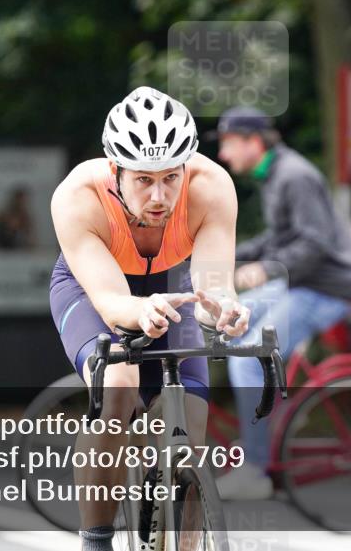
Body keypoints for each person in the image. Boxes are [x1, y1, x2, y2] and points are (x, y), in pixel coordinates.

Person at [49, 87, 251, 551]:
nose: (159, 196)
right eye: (143, 180)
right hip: (93, 287)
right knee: (118, 385)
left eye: (170, 178)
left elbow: (213, 286)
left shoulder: (211, 187)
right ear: (115, 170)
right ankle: (96, 540)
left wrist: (225, 308)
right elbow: (110, 301)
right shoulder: (78, 196)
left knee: (190, 430)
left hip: (172, 285)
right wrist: (139, 310)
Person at [210, 106, 351, 500]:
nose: (223, 155)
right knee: (231, 325)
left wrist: (266, 269)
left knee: (248, 359)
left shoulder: (294, 176)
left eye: (229, 144)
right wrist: (225, 256)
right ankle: (272, 418)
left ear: (253, 142)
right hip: (300, 284)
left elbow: (315, 243)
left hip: (323, 289)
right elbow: (278, 239)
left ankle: (255, 470)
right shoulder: (274, 175)